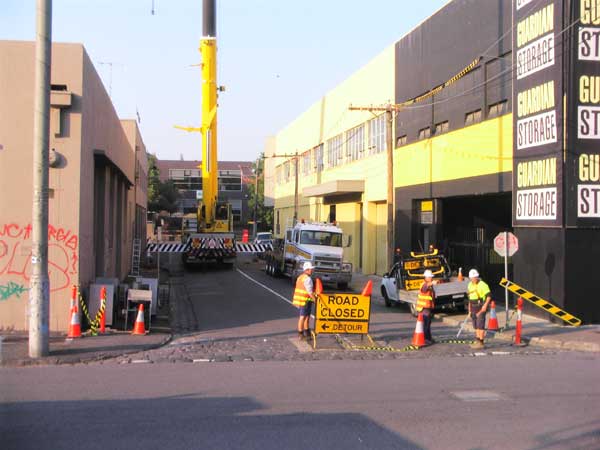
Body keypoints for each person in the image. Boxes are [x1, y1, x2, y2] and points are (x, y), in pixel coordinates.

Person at [467, 268, 492, 349]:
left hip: (481, 306)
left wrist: (485, 306)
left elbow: (489, 296)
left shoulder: (483, 284)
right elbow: (470, 298)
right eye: (472, 278)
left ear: (477, 277)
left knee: (480, 325)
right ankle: (477, 341)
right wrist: (469, 309)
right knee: (475, 326)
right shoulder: (470, 285)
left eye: (475, 277)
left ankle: (481, 342)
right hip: (473, 307)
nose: (474, 279)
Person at [292, 261, 317, 339]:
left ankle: (307, 332)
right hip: (305, 300)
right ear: (307, 270)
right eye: (311, 269)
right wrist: (315, 300)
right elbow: (309, 292)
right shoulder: (308, 279)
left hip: (301, 300)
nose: (312, 270)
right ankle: (301, 333)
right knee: (303, 317)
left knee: (306, 317)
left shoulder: (300, 277)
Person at [416, 269, 437, 344]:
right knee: (426, 324)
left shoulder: (429, 285)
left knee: (428, 324)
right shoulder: (424, 284)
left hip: (427, 308)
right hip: (424, 308)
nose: (432, 278)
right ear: (426, 277)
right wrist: (431, 283)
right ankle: (426, 339)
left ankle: (429, 338)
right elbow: (425, 288)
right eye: (430, 277)